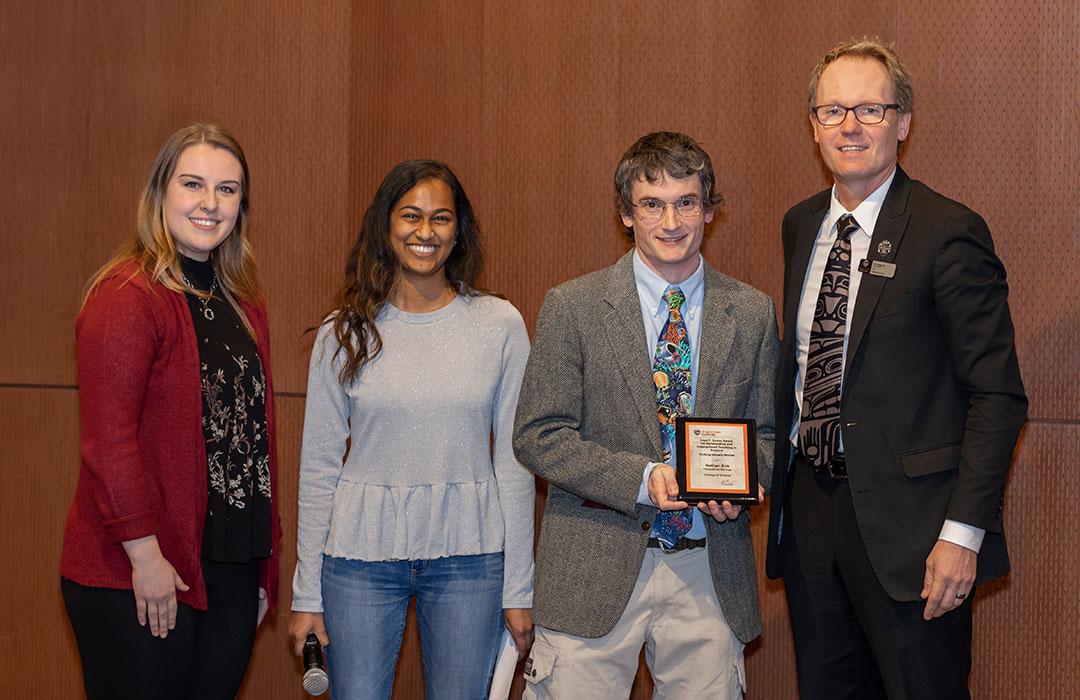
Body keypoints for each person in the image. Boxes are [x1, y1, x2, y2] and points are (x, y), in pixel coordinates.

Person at [765, 38, 1028, 699]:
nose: (849, 126)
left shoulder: (947, 231)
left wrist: (963, 535)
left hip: (915, 531)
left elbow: (997, 396)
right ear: (813, 125)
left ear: (904, 122)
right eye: (832, 110)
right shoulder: (801, 226)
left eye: (871, 110)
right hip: (811, 517)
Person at [513, 131, 778, 698]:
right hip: (592, 563)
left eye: (686, 202)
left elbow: (771, 436)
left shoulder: (752, 312)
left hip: (708, 569)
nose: (671, 220)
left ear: (709, 209)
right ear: (626, 215)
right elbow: (538, 435)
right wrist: (639, 477)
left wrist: (743, 482)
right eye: (651, 204)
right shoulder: (573, 307)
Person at [288, 160, 535, 699]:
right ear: (386, 224)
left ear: (458, 229)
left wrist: (519, 585)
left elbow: (514, 466)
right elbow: (319, 468)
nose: (426, 232)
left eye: (441, 218)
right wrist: (306, 594)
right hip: (357, 560)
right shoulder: (343, 332)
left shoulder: (500, 326)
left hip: (470, 560)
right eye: (411, 216)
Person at [60, 123, 282, 700]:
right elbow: (109, 442)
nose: (210, 204)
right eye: (193, 184)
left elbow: (252, 441)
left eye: (228, 190)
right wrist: (145, 555)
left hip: (228, 569)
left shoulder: (241, 300)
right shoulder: (126, 295)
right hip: (142, 570)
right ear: (160, 193)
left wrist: (260, 569)